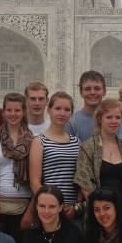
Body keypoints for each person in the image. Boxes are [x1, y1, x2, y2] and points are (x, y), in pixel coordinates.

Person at [0, 93, 34, 243]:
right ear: (3, 112)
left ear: (24, 112)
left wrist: (31, 212)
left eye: (17, 110)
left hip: (24, 206)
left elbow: (38, 178)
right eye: (9, 110)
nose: (13, 114)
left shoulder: (34, 140)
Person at [74, 99, 122, 221]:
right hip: (99, 216)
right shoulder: (88, 147)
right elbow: (86, 186)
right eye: (109, 117)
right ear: (99, 119)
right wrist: (104, 214)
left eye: (118, 117)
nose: (114, 121)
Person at [23, 92, 80, 227]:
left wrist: (76, 206)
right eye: (58, 108)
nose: (62, 113)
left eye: (67, 110)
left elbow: (80, 179)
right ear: (49, 110)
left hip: (71, 211)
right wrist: (52, 205)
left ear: (71, 113)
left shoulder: (76, 142)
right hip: (48, 210)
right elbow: (35, 182)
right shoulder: (39, 141)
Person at [66, 71, 106, 142]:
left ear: (104, 91)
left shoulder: (115, 119)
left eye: (97, 88)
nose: (92, 92)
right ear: (81, 92)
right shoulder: (72, 123)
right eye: (87, 89)